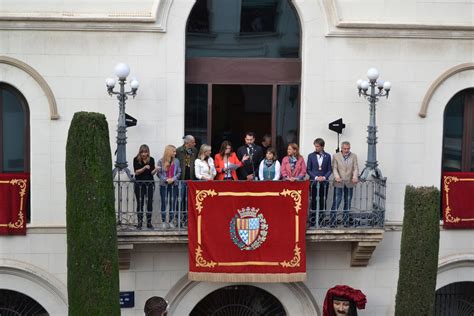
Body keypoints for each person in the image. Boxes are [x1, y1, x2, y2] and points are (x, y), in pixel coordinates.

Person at [332, 141, 359, 226]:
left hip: (349, 182)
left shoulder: (354, 156)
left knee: (348, 202)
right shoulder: (336, 156)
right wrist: (336, 177)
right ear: (341, 148)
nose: (347, 150)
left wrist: (355, 177)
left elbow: (355, 168)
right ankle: (333, 221)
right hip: (339, 182)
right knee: (336, 201)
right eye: (345, 149)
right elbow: (334, 168)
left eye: (348, 148)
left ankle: (346, 221)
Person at [307, 138, 332, 222]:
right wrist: (316, 177)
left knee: (323, 199)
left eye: (317, 146)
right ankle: (313, 219)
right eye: (315, 146)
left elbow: (329, 169)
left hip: (324, 182)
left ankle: (321, 219)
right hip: (314, 182)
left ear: (322, 146)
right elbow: (308, 169)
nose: (316, 148)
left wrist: (324, 177)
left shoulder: (327, 156)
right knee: (313, 199)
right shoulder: (311, 156)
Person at [133, 144, 157, 229]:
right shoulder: (136, 159)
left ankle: (149, 223)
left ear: (148, 152)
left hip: (149, 184)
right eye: (142, 152)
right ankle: (139, 223)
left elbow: (152, 173)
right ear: (140, 152)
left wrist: (156, 169)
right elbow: (136, 172)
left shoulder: (151, 160)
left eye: (145, 152)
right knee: (140, 203)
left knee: (149, 203)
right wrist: (144, 168)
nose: (144, 154)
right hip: (139, 184)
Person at [157, 145, 181, 228]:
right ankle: (163, 221)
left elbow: (179, 172)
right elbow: (159, 173)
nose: (175, 153)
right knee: (164, 202)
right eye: (173, 151)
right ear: (169, 152)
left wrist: (173, 179)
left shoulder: (176, 161)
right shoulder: (161, 161)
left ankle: (171, 221)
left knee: (173, 202)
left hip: (174, 185)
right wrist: (166, 179)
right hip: (164, 185)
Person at [175, 135, 197, 226]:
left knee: (189, 201)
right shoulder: (178, 151)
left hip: (191, 179)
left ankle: (187, 220)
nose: (194, 144)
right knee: (180, 200)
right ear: (187, 143)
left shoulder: (195, 151)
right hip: (181, 179)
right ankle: (178, 220)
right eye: (193, 142)